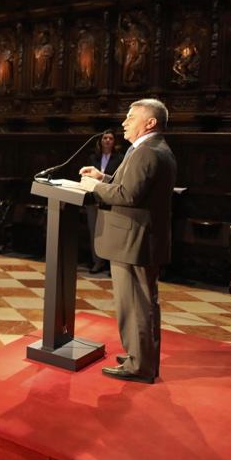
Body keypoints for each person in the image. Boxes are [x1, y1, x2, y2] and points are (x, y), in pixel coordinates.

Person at [80, 98, 177, 384]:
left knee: (136, 304)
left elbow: (128, 196)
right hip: (137, 239)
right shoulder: (150, 148)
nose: (124, 122)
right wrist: (103, 176)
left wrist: (95, 186)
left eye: (131, 117)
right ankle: (139, 356)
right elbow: (131, 186)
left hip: (134, 240)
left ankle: (140, 365)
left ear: (150, 122)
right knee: (139, 303)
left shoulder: (148, 151)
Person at [84, 130, 125, 274]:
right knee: (94, 232)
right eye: (105, 138)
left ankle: (111, 265)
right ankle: (97, 262)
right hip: (93, 198)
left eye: (111, 138)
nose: (107, 140)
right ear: (100, 141)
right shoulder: (92, 158)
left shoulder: (120, 158)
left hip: (110, 200)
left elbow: (118, 180)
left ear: (114, 142)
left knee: (110, 233)